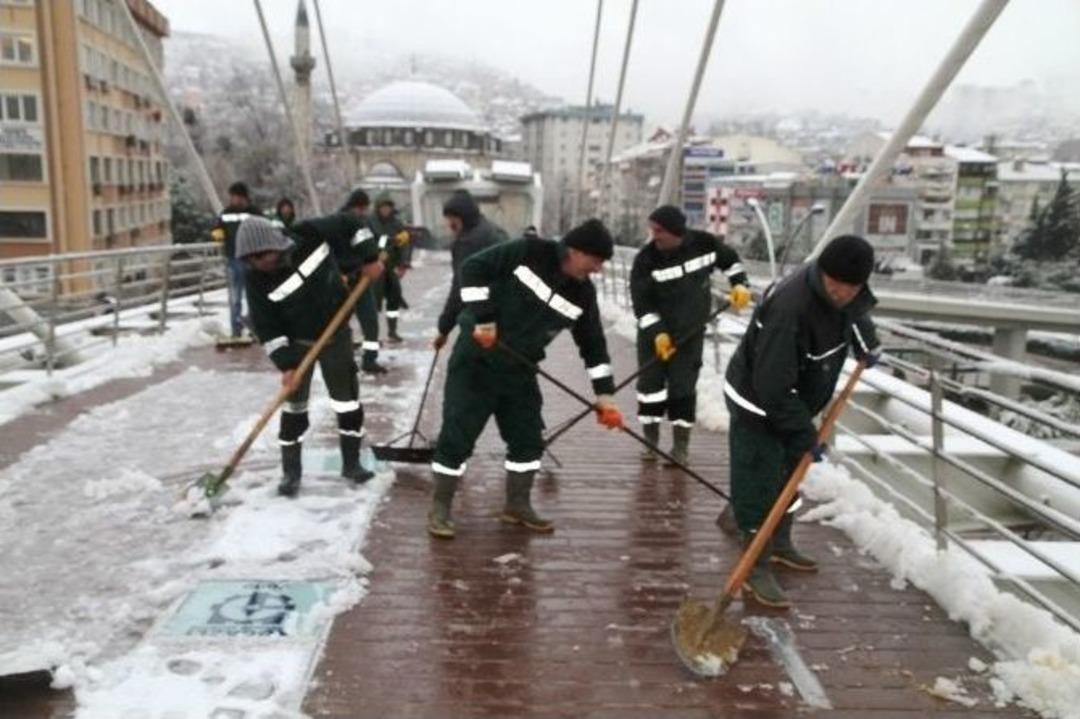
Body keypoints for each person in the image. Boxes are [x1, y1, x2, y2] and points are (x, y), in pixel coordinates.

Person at [428, 219, 624, 539]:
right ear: (575, 251)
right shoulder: (530, 251)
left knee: (528, 439)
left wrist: (605, 395)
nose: (598, 270)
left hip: (519, 369)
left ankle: (517, 505)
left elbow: (593, 344)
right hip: (477, 359)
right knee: (457, 438)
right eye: (596, 261)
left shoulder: (582, 294)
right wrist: (484, 319)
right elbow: (472, 268)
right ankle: (440, 507)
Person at [721, 234, 880, 608]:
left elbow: (854, 315)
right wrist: (804, 434)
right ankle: (755, 566)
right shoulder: (791, 308)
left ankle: (779, 543)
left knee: (790, 477)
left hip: (795, 401)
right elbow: (772, 386)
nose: (842, 293)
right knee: (758, 484)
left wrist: (867, 344)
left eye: (851, 287)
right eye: (835, 285)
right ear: (822, 273)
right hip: (757, 404)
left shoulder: (847, 295)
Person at [237, 215, 383, 497]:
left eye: (261, 256)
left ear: (274, 244)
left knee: (347, 404)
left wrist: (370, 257)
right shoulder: (256, 279)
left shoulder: (309, 234)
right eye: (250, 260)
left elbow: (354, 224)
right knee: (294, 409)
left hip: (336, 335)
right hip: (297, 343)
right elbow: (267, 327)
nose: (258, 264)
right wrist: (286, 364)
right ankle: (291, 473)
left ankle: (351, 464)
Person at [630, 205, 751, 465]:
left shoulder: (704, 244)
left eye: (659, 231)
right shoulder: (645, 260)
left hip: (690, 335)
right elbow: (642, 305)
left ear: (676, 231)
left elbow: (730, 261)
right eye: (652, 230)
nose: (655, 236)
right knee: (650, 389)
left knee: (682, 390)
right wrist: (658, 334)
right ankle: (650, 444)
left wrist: (739, 283)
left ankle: (680, 449)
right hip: (655, 338)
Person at [433, 190, 508, 350]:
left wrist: (444, 327)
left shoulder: (468, 243)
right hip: (504, 312)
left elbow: (462, 288)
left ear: (463, 217)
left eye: (452, 219)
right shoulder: (494, 231)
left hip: (482, 317)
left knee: (462, 367)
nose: (450, 224)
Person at [339, 189, 388, 374]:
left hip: (362, 280)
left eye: (364, 208)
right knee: (340, 324)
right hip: (342, 282)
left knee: (370, 321)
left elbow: (374, 242)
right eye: (359, 208)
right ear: (352, 206)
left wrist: (378, 254)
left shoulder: (364, 223)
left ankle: (369, 359)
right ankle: (343, 361)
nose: (362, 212)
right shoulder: (340, 222)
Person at [210, 181, 260, 339]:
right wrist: (218, 235)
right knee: (236, 296)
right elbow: (217, 228)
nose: (233, 200)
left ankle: (254, 327)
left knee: (253, 295)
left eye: (236, 197)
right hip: (233, 258)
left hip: (253, 259)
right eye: (232, 197)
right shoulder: (226, 213)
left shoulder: (254, 212)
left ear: (243, 197)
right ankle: (236, 329)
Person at [369, 192, 411, 344]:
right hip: (376, 266)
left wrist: (404, 263)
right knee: (375, 301)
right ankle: (372, 334)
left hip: (391, 266)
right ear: (378, 208)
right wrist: (391, 240)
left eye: (388, 207)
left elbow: (405, 243)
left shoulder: (396, 223)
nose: (386, 210)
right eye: (383, 207)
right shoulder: (371, 222)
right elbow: (374, 240)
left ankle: (392, 331)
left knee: (394, 297)